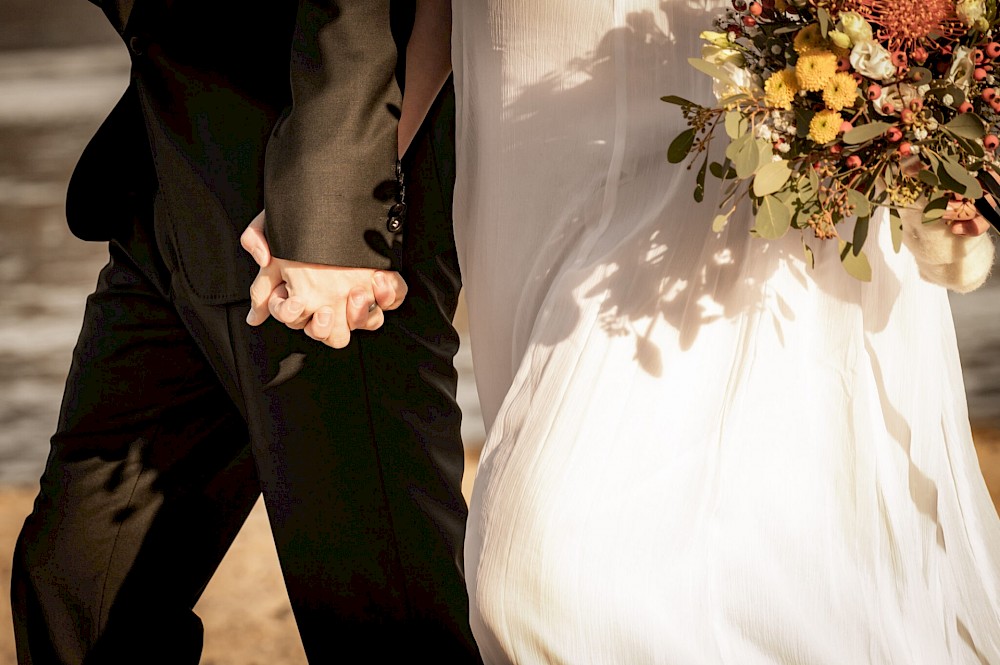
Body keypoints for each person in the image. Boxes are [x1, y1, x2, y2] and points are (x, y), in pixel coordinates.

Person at [448, 1, 1000, 663]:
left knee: (541, 575)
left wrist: (930, 179)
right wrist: (342, 194)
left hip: (747, 163)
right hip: (533, 155)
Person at [11, 1, 479, 663]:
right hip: (167, 175)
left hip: (320, 210)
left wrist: (331, 213)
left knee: (380, 620)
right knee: (77, 588)